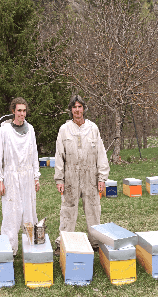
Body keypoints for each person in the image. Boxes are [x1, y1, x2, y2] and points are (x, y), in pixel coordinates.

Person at [54, 95, 110, 255]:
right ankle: (62, 241)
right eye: (74, 107)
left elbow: (101, 155)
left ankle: (96, 242)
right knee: (67, 209)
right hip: (70, 175)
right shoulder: (64, 129)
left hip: (90, 175)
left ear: (83, 109)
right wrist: (59, 179)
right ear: (70, 110)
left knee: (93, 208)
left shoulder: (93, 128)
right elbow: (59, 155)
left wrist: (102, 178)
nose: (77, 110)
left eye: (80, 107)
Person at [0, 97, 40, 255]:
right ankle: (9, 251)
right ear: (13, 111)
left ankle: (32, 251)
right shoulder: (4, 130)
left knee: (29, 212)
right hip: (11, 176)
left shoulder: (30, 129)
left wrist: (36, 177)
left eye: (24, 110)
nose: (22, 113)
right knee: (11, 215)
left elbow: (34, 155)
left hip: (27, 176)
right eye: (19, 110)